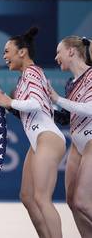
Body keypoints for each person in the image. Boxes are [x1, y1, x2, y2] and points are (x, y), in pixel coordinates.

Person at [0, 27, 66, 238]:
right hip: (39, 140)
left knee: (42, 199)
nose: (4, 56)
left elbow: (36, 104)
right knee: (27, 197)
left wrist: (9, 101)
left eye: (7, 51)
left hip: (47, 138)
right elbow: (29, 111)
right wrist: (9, 106)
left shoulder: (33, 71)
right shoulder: (24, 78)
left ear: (22, 52)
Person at [48, 36, 92, 237]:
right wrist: (45, 108)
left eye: (59, 52)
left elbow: (90, 109)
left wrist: (57, 98)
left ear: (71, 52)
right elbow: (66, 118)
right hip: (77, 144)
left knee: (83, 202)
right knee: (72, 202)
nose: (56, 57)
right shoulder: (69, 83)